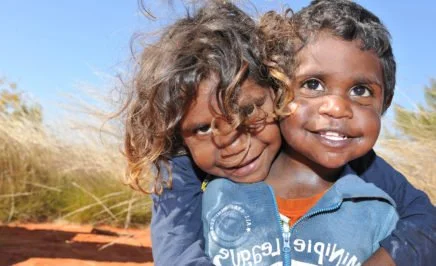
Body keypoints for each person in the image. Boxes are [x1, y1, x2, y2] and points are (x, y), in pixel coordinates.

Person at [122, 1, 435, 265]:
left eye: (248, 111)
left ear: (277, 90)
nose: (230, 142)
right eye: (203, 128)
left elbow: (425, 220)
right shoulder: (183, 172)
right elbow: (177, 253)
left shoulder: (361, 176)